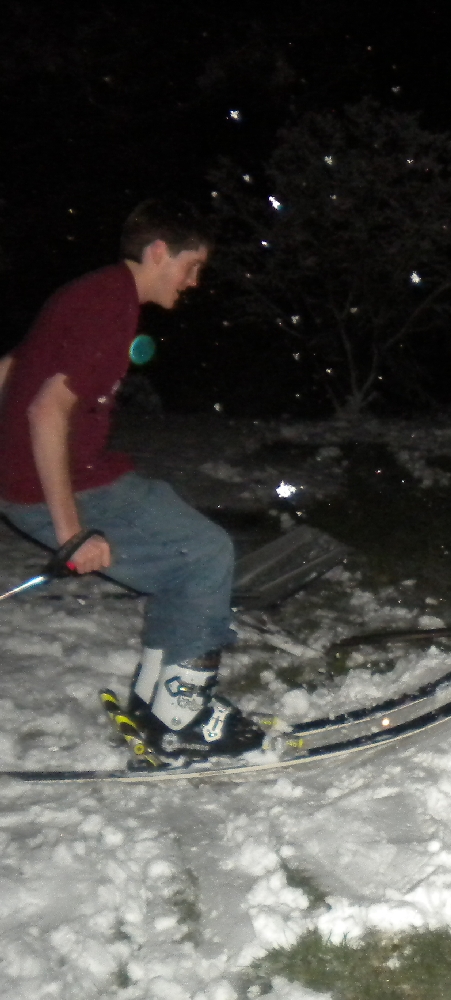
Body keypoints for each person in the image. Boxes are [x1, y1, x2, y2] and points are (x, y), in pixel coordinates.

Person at [0, 199, 263, 760]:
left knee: (180, 554)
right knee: (205, 554)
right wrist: (72, 534)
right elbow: (46, 411)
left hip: (60, 476)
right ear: (159, 251)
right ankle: (182, 716)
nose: (194, 282)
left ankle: (156, 702)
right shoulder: (108, 304)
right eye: (191, 266)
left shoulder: (93, 293)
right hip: (64, 484)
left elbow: (12, 369)